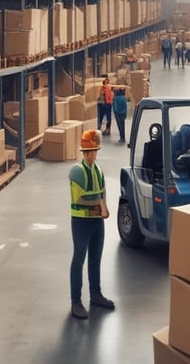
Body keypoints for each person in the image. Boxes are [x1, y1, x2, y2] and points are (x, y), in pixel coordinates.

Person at [68, 130, 115, 319]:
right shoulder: (76, 172)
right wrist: (99, 205)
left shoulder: (98, 170)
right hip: (81, 221)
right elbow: (78, 199)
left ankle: (96, 294)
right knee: (79, 259)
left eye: (94, 151)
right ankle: (75, 301)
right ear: (83, 153)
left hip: (96, 221)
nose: (92, 155)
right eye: (89, 152)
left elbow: (102, 191)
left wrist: (105, 207)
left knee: (96, 258)